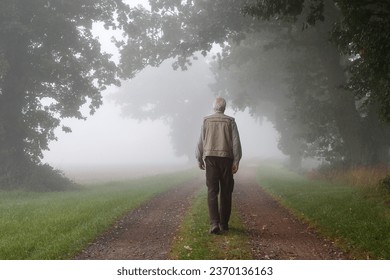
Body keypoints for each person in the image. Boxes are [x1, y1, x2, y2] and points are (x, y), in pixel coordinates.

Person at [196, 97, 242, 234]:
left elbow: (201, 141)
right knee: (226, 192)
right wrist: (236, 161)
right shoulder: (230, 121)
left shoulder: (206, 120)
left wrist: (199, 158)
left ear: (214, 107)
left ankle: (214, 223)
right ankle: (224, 224)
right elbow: (235, 143)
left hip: (210, 159)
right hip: (226, 159)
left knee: (212, 191)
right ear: (224, 108)